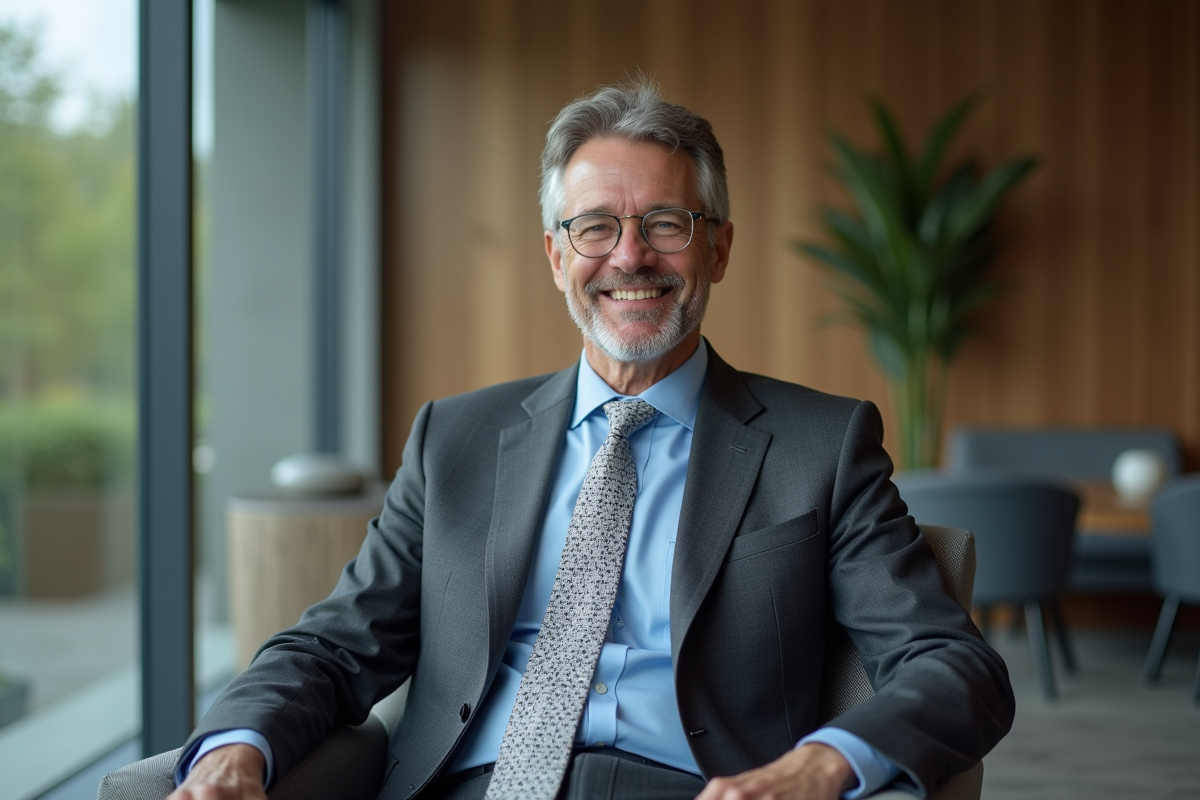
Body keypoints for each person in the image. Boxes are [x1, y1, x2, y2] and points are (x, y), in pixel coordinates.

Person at [169, 78, 1014, 800]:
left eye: (667, 225)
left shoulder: (820, 445)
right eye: (595, 227)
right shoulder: (454, 438)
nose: (629, 256)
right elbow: (335, 644)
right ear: (554, 254)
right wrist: (237, 746)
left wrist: (823, 765)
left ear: (718, 248)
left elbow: (953, 665)